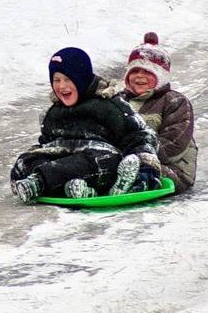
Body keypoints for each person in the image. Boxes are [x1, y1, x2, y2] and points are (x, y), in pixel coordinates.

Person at [10, 47, 162, 203]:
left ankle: (40, 183)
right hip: (64, 167)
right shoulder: (53, 112)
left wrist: (146, 169)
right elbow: (46, 145)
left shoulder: (109, 105)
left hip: (97, 165)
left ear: (81, 78)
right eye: (57, 80)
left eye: (68, 79)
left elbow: (138, 137)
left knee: (104, 160)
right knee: (25, 162)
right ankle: (79, 191)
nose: (62, 86)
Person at [121, 32, 197, 194]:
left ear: (160, 76)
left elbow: (174, 145)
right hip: (126, 161)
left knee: (141, 166)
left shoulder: (175, 102)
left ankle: (136, 182)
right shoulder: (119, 101)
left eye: (148, 72)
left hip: (172, 169)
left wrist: (135, 154)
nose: (140, 76)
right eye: (135, 71)